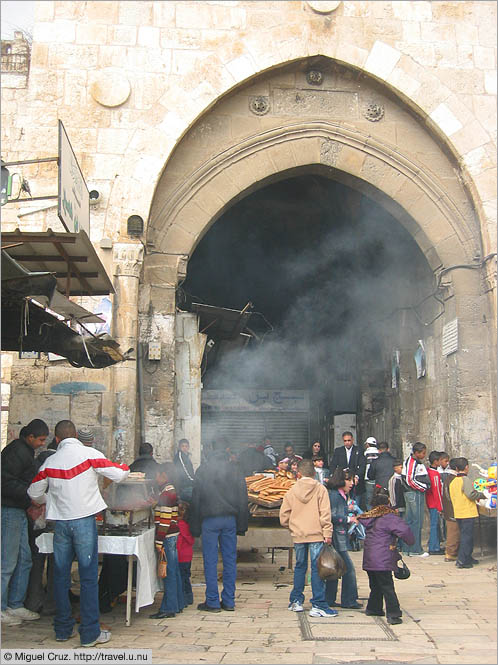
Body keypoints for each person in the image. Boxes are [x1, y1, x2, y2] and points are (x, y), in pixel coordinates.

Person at [28, 420, 129, 647]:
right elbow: (119, 475)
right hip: (84, 522)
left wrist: (49, 499)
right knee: (88, 577)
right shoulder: (90, 454)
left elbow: (33, 492)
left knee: (61, 577)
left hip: (61, 525)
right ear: (75, 435)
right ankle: (89, 633)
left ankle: (63, 629)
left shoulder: (50, 461)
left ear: (57, 439)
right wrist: (125, 467)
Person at [190, 440, 248, 612]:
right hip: (230, 519)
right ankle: (229, 601)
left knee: (210, 561)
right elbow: (242, 498)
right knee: (230, 560)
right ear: (227, 451)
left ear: (211, 450)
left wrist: (194, 526)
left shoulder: (203, 470)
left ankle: (213, 601)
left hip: (210, 520)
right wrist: (242, 524)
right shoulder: (235, 470)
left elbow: (196, 499)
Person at [1, 419, 49, 626]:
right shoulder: (16, 452)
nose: (41, 444)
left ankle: (15, 603)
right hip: (9, 509)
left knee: (25, 558)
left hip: (19, 510)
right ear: (30, 437)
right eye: (40, 440)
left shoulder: (25, 451)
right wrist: (31, 496)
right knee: (7, 560)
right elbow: (5, 482)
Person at [279, 458, 336, 618]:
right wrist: (327, 533)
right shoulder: (320, 489)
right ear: (313, 472)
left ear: (299, 472)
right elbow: (325, 514)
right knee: (317, 569)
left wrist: (292, 526)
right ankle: (318, 604)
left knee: (300, 567)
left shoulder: (291, 490)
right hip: (316, 534)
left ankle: (296, 601)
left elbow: (283, 516)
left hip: (298, 534)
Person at [358, 492, 414, 625]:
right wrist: (410, 542)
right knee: (387, 586)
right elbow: (405, 532)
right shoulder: (389, 517)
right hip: (383, 557)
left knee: (376, 584)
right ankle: (393, 614)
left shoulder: (368, 517)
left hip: (370, 557)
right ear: (388, 503)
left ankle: (374, 608)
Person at [25, 437, 59, 615]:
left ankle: (32, 601)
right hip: (51, 517)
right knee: (55, 563)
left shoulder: (40, 460)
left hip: (37, 519)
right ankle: (52, 603)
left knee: (36, 562)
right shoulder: (55, 462)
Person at [149, 463, 185, 619]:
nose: (156, 478)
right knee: (174, 570)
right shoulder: (169, 492)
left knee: (169, 572)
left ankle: (169, 607)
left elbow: (164, 521)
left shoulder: (167, 495)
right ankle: (178, 603)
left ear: (164, 475)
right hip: (173, 535)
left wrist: (158, 542)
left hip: (168, 536)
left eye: (157, 475)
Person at [325, 469, 361, 610]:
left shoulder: (342, 496)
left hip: (340, 536)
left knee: (335, 570)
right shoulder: (335, 496)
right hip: (336, 537)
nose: (351, 483)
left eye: (352, 480)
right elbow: (331, 516)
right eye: (348, 480)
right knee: (348, 570)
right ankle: (349, 600)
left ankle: (329, 599)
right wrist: (347, 519)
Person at [449, 457, 486, 569]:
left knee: (466, 536)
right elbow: (471, 494)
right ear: (466, 467)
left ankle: (468, 557)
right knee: (467, 537)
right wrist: (483, 494)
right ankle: (462, 560)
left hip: (459, 512)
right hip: (467, 512)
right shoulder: (465, 480)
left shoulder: (453, 481)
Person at [401, 442, 431, 557]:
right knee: (416, 520)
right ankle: (415, 549)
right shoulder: (412, 463)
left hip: (413, 492)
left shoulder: (415, 462)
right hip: (414, 493)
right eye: (423, 453)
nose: (424, 455)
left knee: (410, 520)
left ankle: (407, 548)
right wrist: (422, 488)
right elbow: (409, 480)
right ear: (417, 453)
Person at [329, 432, 366, 508]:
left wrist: (357, 476)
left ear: (352, 440)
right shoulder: (338, 451)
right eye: (345, 441)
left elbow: (362, 466)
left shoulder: (359, 450)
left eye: (349, 440)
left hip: (356, 483)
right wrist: (333, 477)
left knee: (355, 506)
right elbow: (333, 465)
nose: (347, 443)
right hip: (342, 483)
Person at [441, 458, 460, 562]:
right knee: (453, 532)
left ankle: (452, 552)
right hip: (452, 509)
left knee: (453, 532)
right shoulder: (453, 479)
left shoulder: (449, 478)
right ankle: (450, 553)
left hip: (449, 509)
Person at [426, 451, 444, 555]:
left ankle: (435, 545)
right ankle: (433, 547)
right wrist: (440, 506)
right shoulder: (435, 474)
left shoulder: (429, 471)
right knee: (434, 525)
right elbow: (436, 491)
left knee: (435, 525)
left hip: (431, 502)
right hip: (434, 503)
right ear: (436, 461)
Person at [177, 502, 194, 606]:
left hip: (180, 556)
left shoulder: (179, 526)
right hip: (188, 556)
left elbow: (178, 543)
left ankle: (183, 599)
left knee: (181, 578)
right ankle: (189, 597)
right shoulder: (188, 525)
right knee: (186, 577)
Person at [363, 437, 379, 510]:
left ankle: (370, 513)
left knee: (369, 498)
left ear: (367, 444)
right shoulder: (379, 452)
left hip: (368, 478)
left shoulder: (365, 453)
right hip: (377, 478)